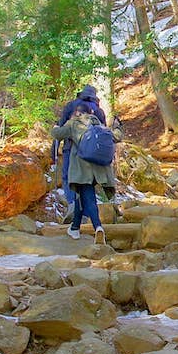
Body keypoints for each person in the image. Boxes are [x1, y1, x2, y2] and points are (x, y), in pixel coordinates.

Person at [50, 103, 118, 244]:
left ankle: (98, 227)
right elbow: (117, 137)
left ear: (77, 113)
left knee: (88, 198)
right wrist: (117, 126)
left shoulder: (74, 123)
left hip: (81, 169)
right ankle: (75, 228)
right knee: (80, 196)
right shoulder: (99, 125)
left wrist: (56, 127)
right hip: (98, 169)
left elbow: (57, 135)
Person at [54, 85, 107, 217]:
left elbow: (60, 130)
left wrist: (53, 151)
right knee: (87, 181)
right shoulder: (98, 110)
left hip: (71, 147)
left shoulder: (71, 105)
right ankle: (87, 213)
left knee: (68, 177)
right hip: (92, 152)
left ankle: (73, 205)